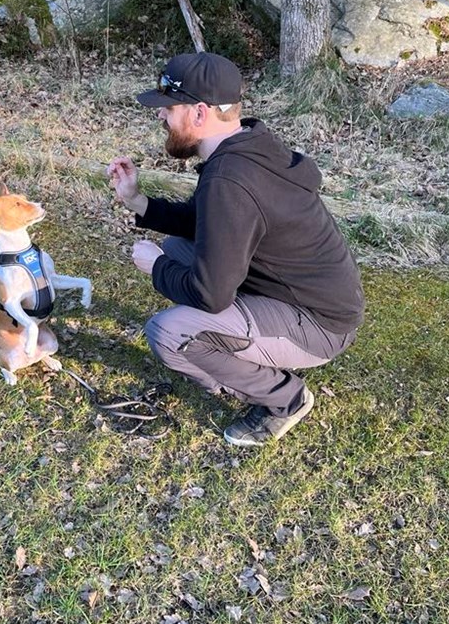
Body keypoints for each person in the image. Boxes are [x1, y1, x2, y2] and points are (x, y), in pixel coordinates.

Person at [107, 52, 364, 447]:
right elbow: (207, 221)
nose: (161, 117)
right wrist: (139, 202)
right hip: (304, 298)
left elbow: (210, 295)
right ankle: (244, 353)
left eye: (168, 108)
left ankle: (285, 399)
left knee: (168, 332)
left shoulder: (230, 178)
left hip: (319, 326)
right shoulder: (247, 146)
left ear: (198, 113)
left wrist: (156, 268)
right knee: (179, 248)